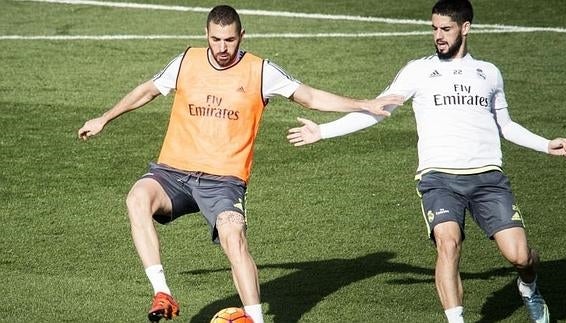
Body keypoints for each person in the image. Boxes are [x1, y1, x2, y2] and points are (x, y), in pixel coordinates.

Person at [78, 5, 401, 323]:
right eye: (216, 39)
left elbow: (310, 97)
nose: (222, 48)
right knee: (137, 198)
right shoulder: (186, 61)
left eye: (229, 40)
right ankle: (162, 291)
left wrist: (362, 103)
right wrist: (104, 118)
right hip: (173, 173)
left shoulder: (261, 71)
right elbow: (147, 90)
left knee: (234, 236)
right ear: (205, 34)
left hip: (223, 181)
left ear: (241, 36)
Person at [286, 1, 566, 322]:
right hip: (439, 179)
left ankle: (528, 285)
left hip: (487, 178)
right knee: (447, 244)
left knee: (520, 256)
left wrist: (547, 145)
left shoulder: (489, 73)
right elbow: (378, 111)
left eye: (446, 29)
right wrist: (322, 131)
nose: (438, 35)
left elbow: (505, 125)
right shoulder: (417, 71)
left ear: (465, 28)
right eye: (434, 28)